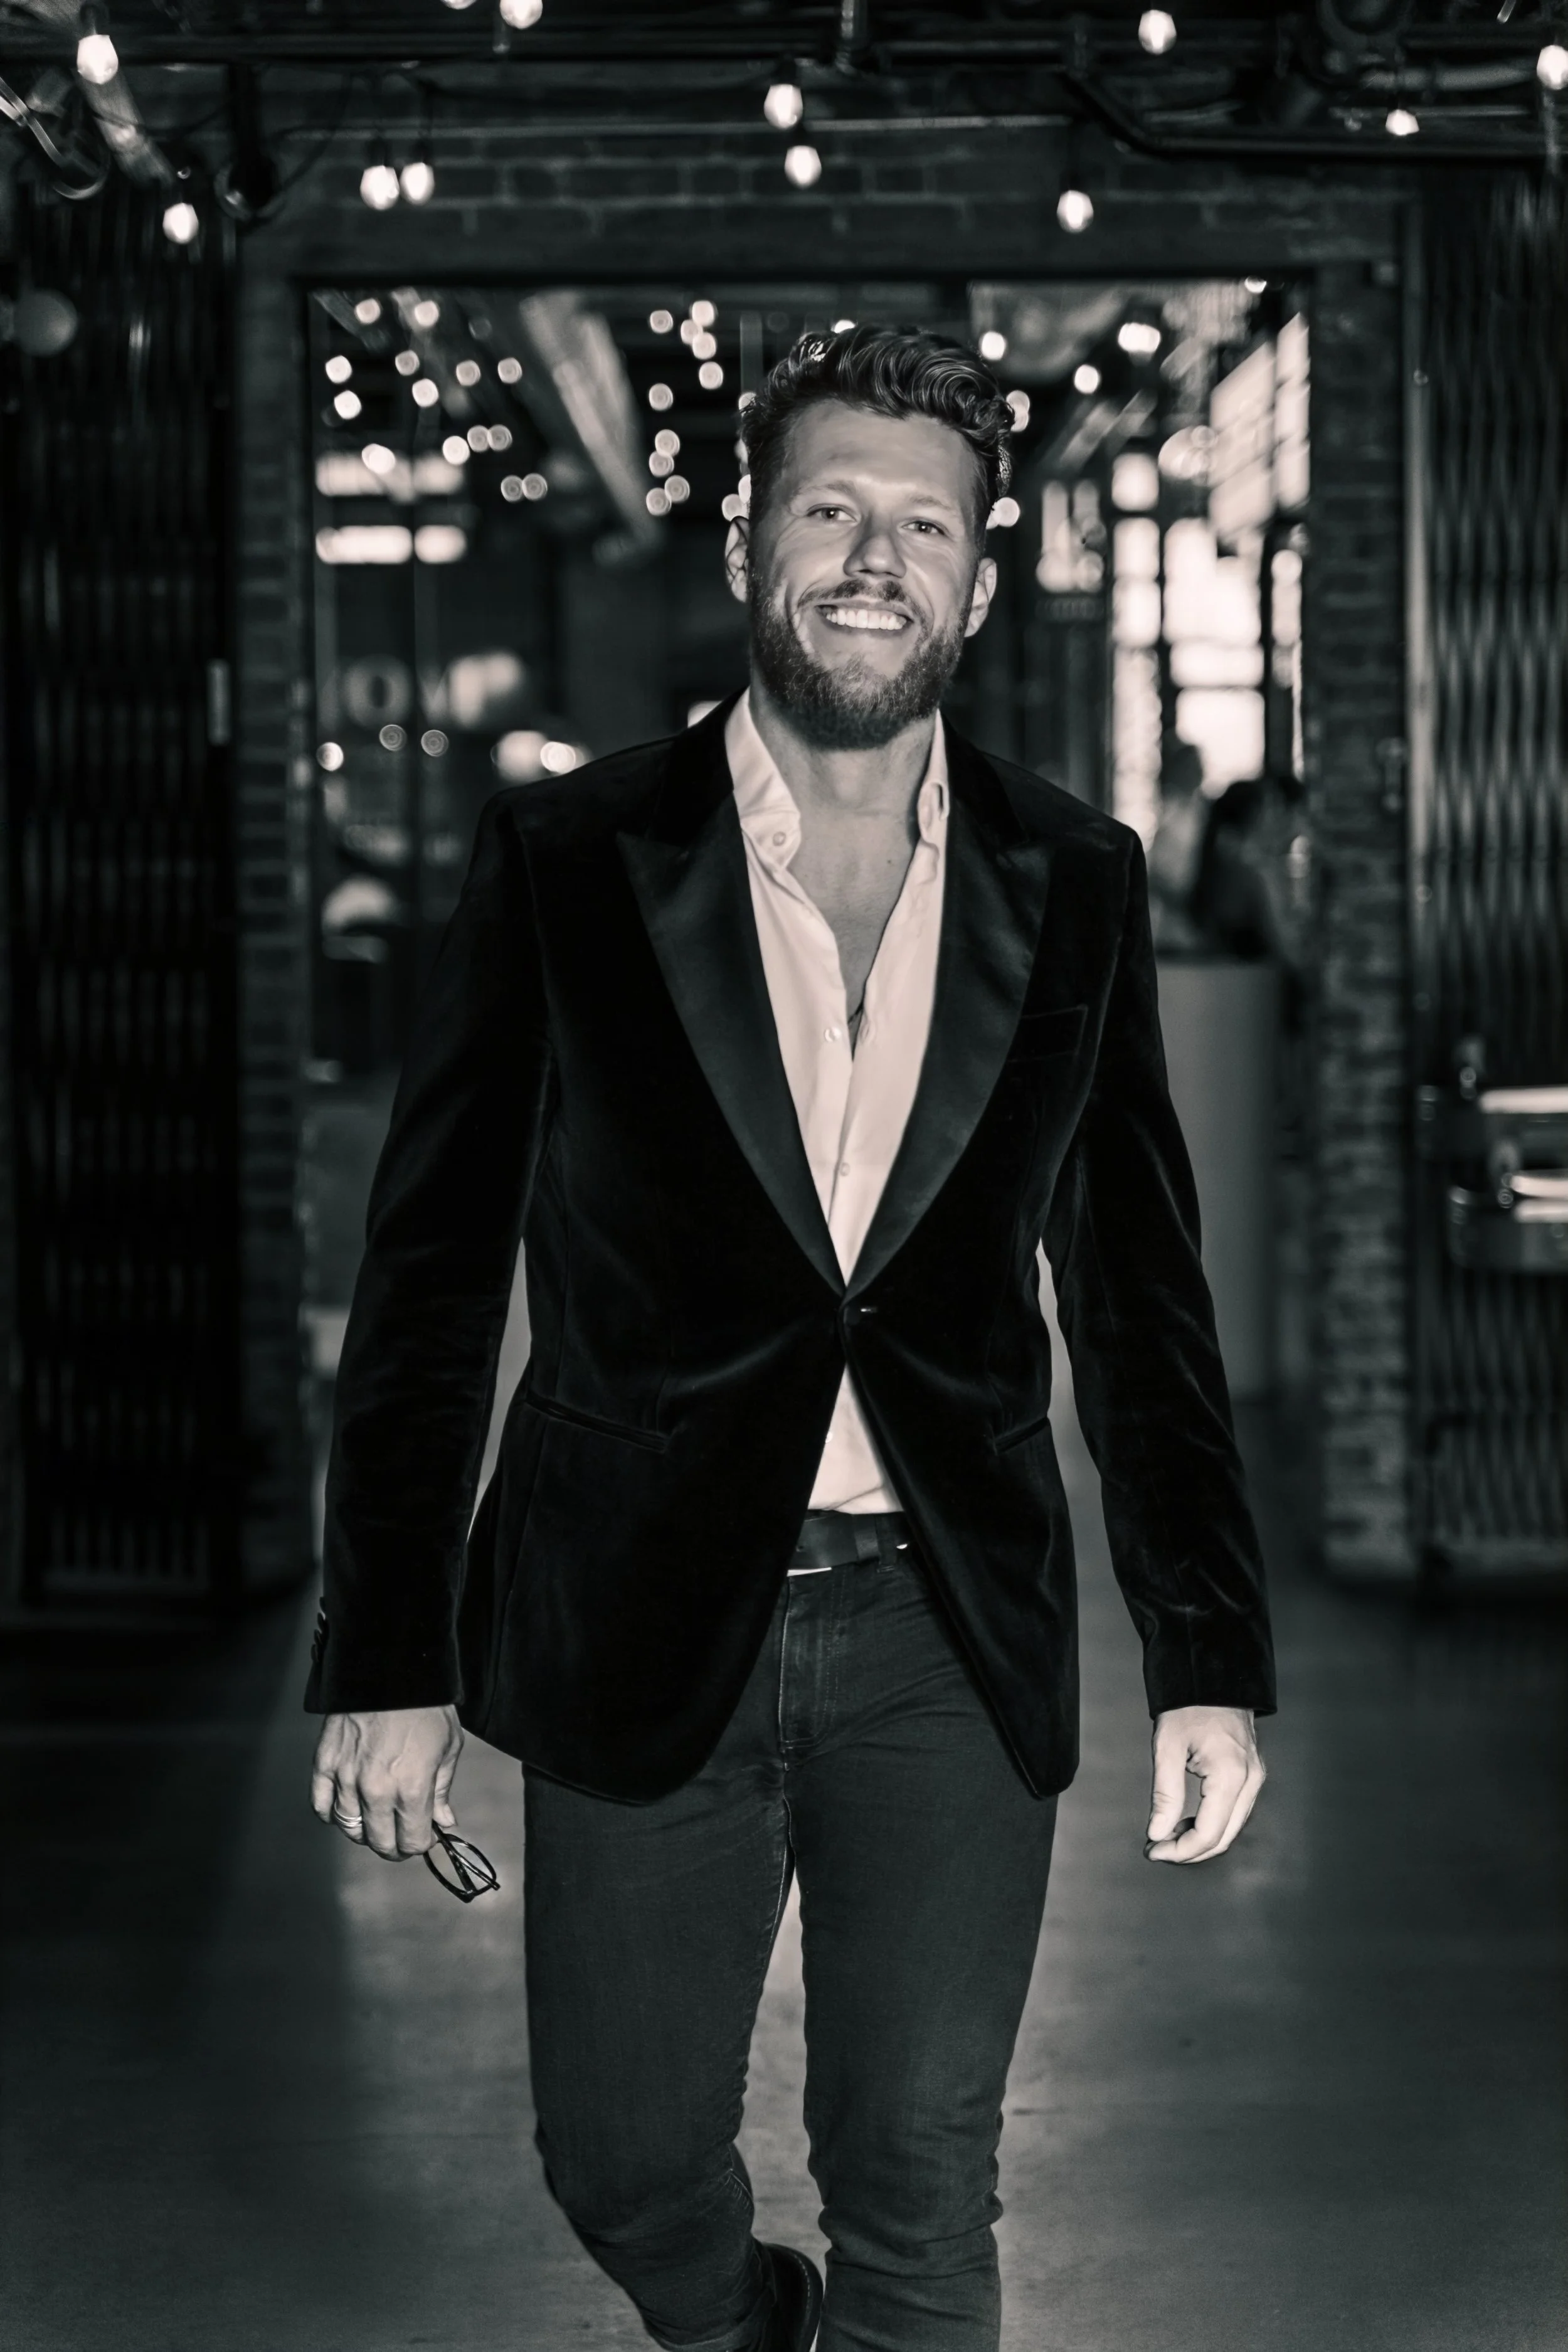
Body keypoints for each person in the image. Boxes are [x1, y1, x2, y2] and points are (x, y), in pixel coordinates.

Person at [306, 327, 1274, 2352]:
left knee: (921, 2177)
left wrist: (1208, 1648)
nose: (873, 558)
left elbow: (1141, 1296)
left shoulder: (1071, 881)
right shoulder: (569, 862)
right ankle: (753, 2325)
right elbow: (429, 1278)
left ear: (977, 583)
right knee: (622, 2159)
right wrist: (389, 1647)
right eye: (831, 508)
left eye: (923, 525)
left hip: (944, 1626)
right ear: (751, 545)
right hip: (643, 1603)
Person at [1146, 733, 1208, 954]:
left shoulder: (1206, 812)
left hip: (1197, 904)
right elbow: (1155, 866)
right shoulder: (1167, 812)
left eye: (1196, 767)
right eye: (1187, 767)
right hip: (1169, 908)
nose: (1194, 773)